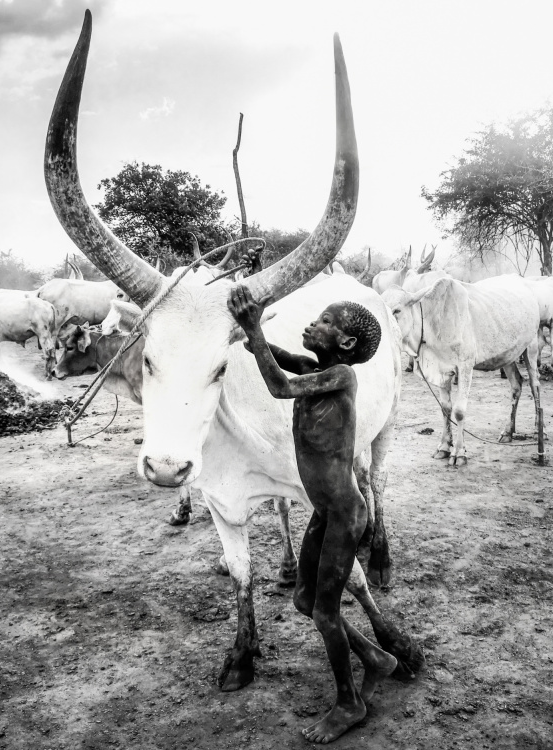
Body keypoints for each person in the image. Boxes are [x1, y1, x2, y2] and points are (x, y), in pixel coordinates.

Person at [228, 286, 399, 744]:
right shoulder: (316, 368)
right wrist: (251, 333)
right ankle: (377, 660)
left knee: (324, 613)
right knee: (306, 603)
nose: (312, 324)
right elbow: (278, 357)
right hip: (325, 514)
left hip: (345, 514)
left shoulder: (341, 376)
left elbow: (280, 386)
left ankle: (349, 702)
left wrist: (253, 331)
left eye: (324, 321)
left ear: (344, 343)